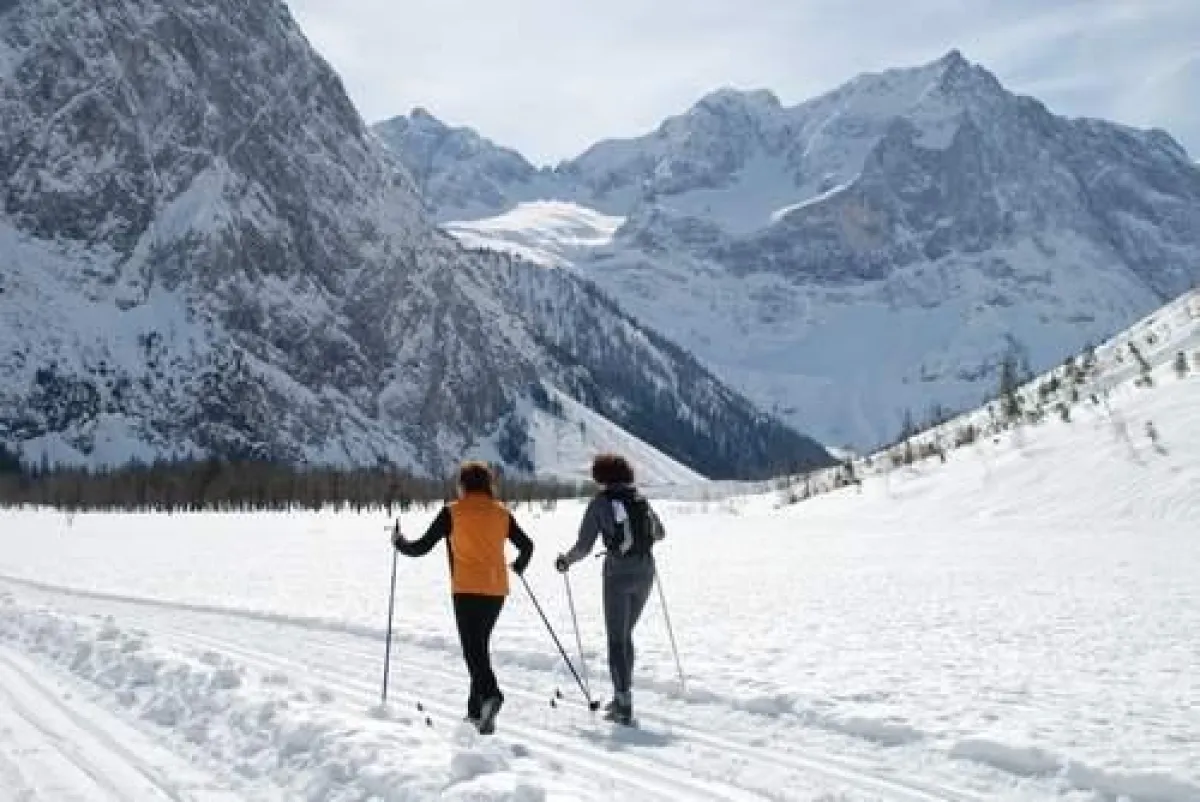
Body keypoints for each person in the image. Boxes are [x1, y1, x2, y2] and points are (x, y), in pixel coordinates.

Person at [392, 461, 533, 734]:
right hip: (496, 590)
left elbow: (421, 547)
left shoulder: (452, 512)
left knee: (473, 650)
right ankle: (475, 713)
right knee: (478, 647)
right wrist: (519, 565)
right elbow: (527, 546)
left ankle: (492, 695)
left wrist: (399, 543)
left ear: (463, 485)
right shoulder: (502, 512)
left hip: (466, 589)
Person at [555, 454, 665, 725]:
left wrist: (565, 561)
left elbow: (584, 546)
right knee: (625, 635)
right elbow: (660, 533)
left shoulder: (600, 504)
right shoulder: (639, 498)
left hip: (618, 575)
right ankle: (622, 695)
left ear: (600, 477)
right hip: (646, 571)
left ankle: (622, 703)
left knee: (617, 639)